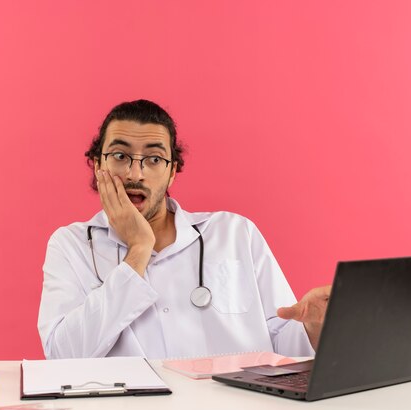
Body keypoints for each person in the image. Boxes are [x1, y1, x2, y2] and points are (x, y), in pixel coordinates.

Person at [38, 99, 330, 359]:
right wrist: (138, 249)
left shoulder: (235, 233)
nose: (134, 174)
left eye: (154, 159)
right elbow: (63, 356)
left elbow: (284, 346)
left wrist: (313, 327)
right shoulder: (71, 245)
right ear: (97, 164)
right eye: (119, 156)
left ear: (172, 171)